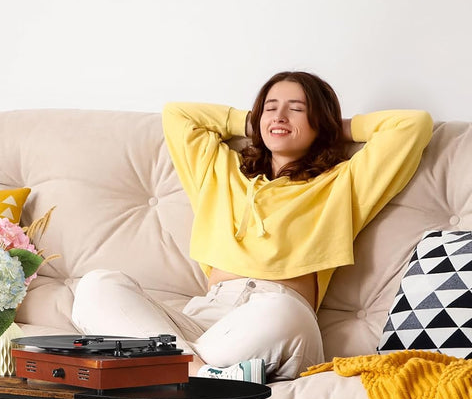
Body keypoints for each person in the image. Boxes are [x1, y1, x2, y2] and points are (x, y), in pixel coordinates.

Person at [71, 71, 433, 382]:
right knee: (98, 286)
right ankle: (199, 375)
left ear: (320, 122)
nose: (280, 115)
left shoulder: (343, 184)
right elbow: (178, 115)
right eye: (270, 107)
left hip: (274, 316)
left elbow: (411, 125)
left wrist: (335, 127)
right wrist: (254, 122)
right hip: (207, 322)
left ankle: (166, 368)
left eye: (297, 109)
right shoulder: (221, 172)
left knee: (283, 312)